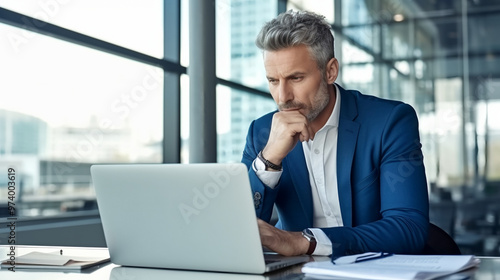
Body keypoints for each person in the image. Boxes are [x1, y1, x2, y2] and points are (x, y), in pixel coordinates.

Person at [241, 10, 429, 258]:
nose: (282, 97)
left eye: (296, 78)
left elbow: (409, 228)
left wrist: (306, 242)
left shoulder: (389, 121)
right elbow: (239, 231)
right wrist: (269, 160)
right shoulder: (261, 133)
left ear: (330, 71)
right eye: (273, 81)